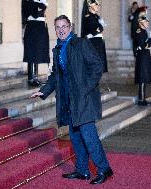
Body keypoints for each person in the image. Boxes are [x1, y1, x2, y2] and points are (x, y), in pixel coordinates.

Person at [30, 15, 113, 185]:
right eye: (58, 27)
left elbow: (97, 65)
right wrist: (43, 91)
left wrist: (86, 87)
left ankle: (104, 169)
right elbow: (55, 75)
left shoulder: (80, 43)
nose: (61, 30)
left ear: (70, 28)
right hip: (68, 99)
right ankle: (82, 170)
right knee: (75, 138)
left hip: (83, 99)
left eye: (64, 26)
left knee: (89, 136)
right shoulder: (58, 49)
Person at [22, 0, 50, 87]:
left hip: (40, 26)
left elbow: (43, 7)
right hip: (32, 26)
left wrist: (39, 6)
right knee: (31, 53)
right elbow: (33, 12)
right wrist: (39, 6)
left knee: (38, 52)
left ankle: (35, 77)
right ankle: (31, 78)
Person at [133, 6, 151, 106]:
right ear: (141, 23)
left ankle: (143, 98)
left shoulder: (144, 32)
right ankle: (141, 100)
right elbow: (143, 45)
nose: (147, 23)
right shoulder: (139, 32)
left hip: (145, 57)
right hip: (142, 58)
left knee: (145, 78)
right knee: (142, 78)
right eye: (146, 22)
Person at [81, 0, 108, 73]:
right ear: (90, 6)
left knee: (98, 68)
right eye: (95, 5)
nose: (97, 6)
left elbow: (100, 28)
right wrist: (100, 27)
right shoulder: (88, 17)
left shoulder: (97, 17)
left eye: (97, 5)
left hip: (99, 43)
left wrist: (100, 28)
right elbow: (94, 31)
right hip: (93, 43)